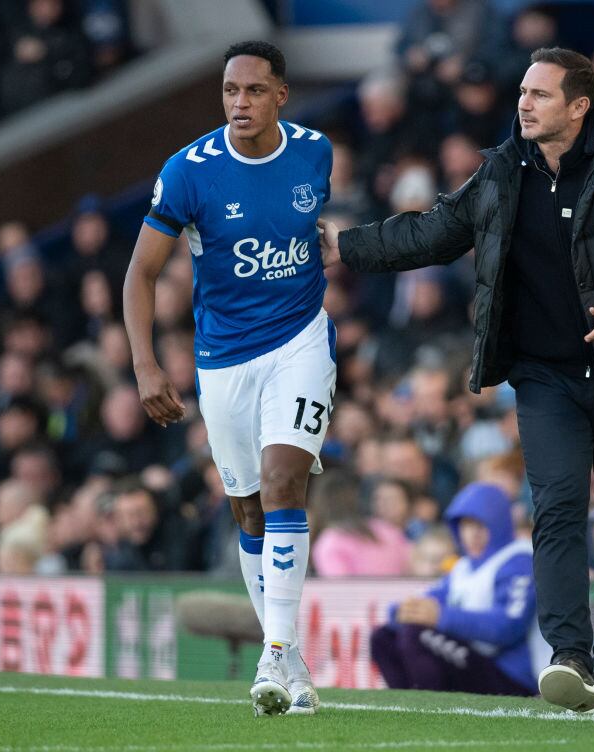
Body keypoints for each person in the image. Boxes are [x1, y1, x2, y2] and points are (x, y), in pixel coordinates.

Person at [320, 47, 594, 713]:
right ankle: (568, 655)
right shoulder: (502, 171)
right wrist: (346, 245)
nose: (523, 103)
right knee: (557, 509)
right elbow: (433, 233)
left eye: (540, 94)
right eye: (523, 93)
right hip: (545, 378)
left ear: (579, 105)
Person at [123, 41, 335, 717]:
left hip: (300, 340)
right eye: (229, 91)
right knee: (246, 507)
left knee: (283, 483)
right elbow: (140, 273)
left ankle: (272, 651)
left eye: (252, 90)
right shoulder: (189, 171)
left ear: (281, 96)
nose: (238, 103)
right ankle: (291, 656)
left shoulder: (315, 152)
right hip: (223, 361)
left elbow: (314, 228)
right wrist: (146, 362)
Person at [370, 482, 546, 696]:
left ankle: (427, 706)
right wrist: (402, 611)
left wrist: (442, 616)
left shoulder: (519, 559)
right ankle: (403, 702)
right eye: (465, 525)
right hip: (474, 661)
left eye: (480, 525)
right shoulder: (464, 566)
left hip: (509, 674)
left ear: (498, 524)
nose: (472, 534)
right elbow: (429, 600)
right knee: (382, 637)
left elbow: (507, 627)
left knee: (417, 634)